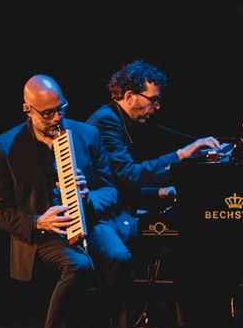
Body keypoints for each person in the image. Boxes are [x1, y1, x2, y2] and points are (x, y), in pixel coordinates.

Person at [0, 74, 135, 328]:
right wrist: (38, 221)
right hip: (46, 233)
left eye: (61, 109)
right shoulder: (6, 146)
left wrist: (88, 197)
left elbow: (111, 190)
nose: (56, 118)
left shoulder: (87, 135)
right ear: (28, 109)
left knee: (120, 257)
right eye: (47, 113)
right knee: (78, 266)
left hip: (90, 221)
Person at [84, 59, 221, 244]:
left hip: (116, 211)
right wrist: (181, 154)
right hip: (105, 220)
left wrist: (159, 193)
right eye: (153, 99)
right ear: (129, 96)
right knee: (185, 234)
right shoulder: (106, 122)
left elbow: (120, 182)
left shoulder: (116, 119)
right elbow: (128, 176)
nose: (157, 106)